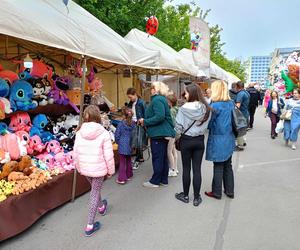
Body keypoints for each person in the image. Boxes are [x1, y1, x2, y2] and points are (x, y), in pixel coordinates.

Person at [74, 105, 115, 236]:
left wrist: (79, 167)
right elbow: (108, 155)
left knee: (94, 189)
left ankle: (102, 207)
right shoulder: (103, 132)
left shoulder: (79, 132)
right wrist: (111, 170)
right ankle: (90, 225)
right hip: (98, 168)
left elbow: (75, 153)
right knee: (94, 192)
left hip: (85, 168)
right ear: (97, 116)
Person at [174, 83, 211, 206]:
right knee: (197, 169)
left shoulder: (183, 108)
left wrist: (177, 135)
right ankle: (196, 197)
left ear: (192, 93)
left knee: (186, 169)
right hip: (199, 140)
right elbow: (207, 125)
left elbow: (178, 127)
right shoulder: (206, 107)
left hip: (186, 140)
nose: (185, 94)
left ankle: (185, 195)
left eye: (187, 92)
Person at [139, 82, 175, 188]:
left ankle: (155, 181)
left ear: (156, 89)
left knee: (158, 157)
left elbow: (160, 116)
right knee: (163, 157)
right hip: (161, 132)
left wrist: (145, 121)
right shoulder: (161, 99)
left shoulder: (157, 99)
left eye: (152, 87)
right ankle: (163, 179)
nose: (150, 89)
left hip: (158, 133)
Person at [205, 80, 235, 200]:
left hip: (218, 138)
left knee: (218, 165)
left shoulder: (214, 106)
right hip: (229, 137)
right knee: (228, 165)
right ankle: (230, 190)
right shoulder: (231, 103)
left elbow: (209, 124)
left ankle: (216, 192)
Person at [115, 107, 136, 184]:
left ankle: (122, 178)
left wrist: (118, 142)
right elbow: (134, 134)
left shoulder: (120, 124)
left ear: (123, 115)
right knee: (128, 160)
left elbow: (117, 135)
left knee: (122, 162)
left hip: (122, 144)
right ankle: (129, 174)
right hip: (130, 144)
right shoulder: (133, 124)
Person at [127, 88, 146, 163]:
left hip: (139, 123)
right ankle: (138, 157)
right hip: (133, 123)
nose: (130, 99)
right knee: (135, 140)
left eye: (130, 97)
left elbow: (145, 114)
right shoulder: (131, 102)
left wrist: (143, 121)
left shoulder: (141, 102)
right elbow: (128, 109)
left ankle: (139, 158)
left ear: (135, 95)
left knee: (139, 141)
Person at [235, 81, 250, 151]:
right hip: (245, 113)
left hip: (240, 114)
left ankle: (240, 145)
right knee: (242, 129)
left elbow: (238, 105)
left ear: (237, 87)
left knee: (239, 130)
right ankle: (243, 142)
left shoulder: (240, 94)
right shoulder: (246, 93)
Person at [167, 93, 179, 177]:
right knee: (174, 151)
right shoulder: (177, 109)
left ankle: (172, 170)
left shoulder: (171, 111)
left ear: (170, 102)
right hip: (177, 132)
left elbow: (173, 122)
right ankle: (176, 167)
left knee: (169, 151)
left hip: (172, 132)